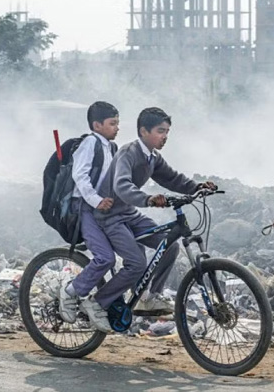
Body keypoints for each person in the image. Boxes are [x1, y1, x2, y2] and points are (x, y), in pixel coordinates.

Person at [78, 107, 216, 331]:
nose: (165, 137)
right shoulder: (128, 152)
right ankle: (96, 302)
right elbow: (121, 186)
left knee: (169, 244)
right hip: (110, 216)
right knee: (136, 263)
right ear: (143, 131)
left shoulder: (152, 157)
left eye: (167, 132)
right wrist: (149, 199)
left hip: (128, 214)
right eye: (160, 131)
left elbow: (172, 178)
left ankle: (150, 297)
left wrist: (197, 187)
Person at [58, 101, 119, 331]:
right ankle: (71, 291)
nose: (117, 128)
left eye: (117, 123)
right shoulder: (90, 143)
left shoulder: (111, 148)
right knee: (105, 258)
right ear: (97, 125)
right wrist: (96, 200)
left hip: (104, 210)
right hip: (85, 208)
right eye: (112, 123)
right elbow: (80, 177)